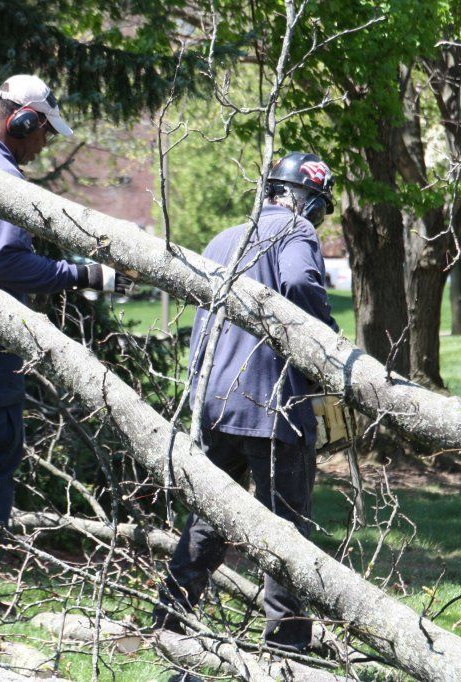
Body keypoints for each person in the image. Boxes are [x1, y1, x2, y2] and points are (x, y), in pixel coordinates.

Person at [0, 74, 128, 618]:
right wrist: (83, 274)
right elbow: (5, 262)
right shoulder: (0, 175)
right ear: (22, 121)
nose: (43, 145)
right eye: (43, 132)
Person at [152, 152, 338, 652]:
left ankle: (168, 619)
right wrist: (326, 342)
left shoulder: (224, 237)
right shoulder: (297, 231)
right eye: (319, 207)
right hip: (273, 405)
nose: (318, 218)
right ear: (306, 198)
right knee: (285, 529)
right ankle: (286, 643)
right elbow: (299, 282)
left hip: (216, 401)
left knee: (210, 518)